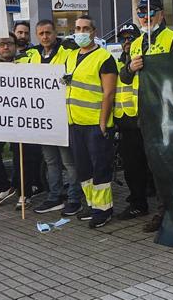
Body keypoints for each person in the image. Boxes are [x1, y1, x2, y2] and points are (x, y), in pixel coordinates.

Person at [119, 0, 173, 232]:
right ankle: (163, 211)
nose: (145, 17)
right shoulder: (138, 42)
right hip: (144, 115)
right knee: (153, 167)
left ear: (161, 13)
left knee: (168, 166)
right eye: (141, 13)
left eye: (150, 12)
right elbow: (125, 76)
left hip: (168, 115)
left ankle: (172, 213)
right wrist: (131, 67)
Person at [18, 20, 82, 216]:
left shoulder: (68, 51)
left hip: (62, 116)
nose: (45, 37)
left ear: (55, 33)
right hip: (43, 119)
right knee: (51, 161)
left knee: (68, 161)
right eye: (41, 33)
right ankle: (54, 196)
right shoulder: (32, 55)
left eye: (48, 33)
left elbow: (76, 71)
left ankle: (74, 198)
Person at [66, 15, 118, 228]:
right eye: (77, 28)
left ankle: (103, 209)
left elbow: (108, 93)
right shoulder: (71, 56)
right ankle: (91, 204)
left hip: (96, 124)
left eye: (85, 28)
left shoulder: (104, 58)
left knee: (100, 168)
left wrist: (103, 122)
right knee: (83, 168)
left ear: (94, 32)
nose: (81, 32)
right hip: (75, 122)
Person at [0, 33, 29, 209]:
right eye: (1, 44)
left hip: (22, 116)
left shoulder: (26, 65)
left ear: (16, 46)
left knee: (22, 155)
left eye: (9, 43)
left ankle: (24, 193)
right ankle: (3, 186)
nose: (5, 47)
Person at [113, 23, 152, 221]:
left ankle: (143, 199)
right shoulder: (118, 60)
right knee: (132, 166)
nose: (127, 42)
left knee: (147, 165)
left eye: (130, 38)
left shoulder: (143, 59)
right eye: (123, 38)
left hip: (144, 119)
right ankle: (138, 200)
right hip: (125, 122)